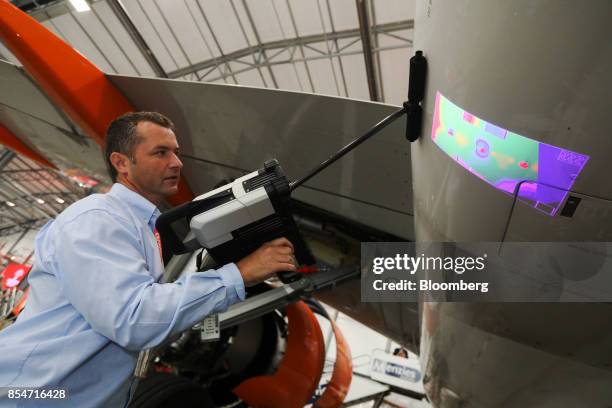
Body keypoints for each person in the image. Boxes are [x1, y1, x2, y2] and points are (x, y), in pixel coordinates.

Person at [0, 112, 297, 407]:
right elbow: (134, 319)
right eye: (161, 152)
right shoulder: (98, 219)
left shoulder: (139, 227)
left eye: (177, 153)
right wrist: (239, 274)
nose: (177, 162)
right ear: (121, 163)